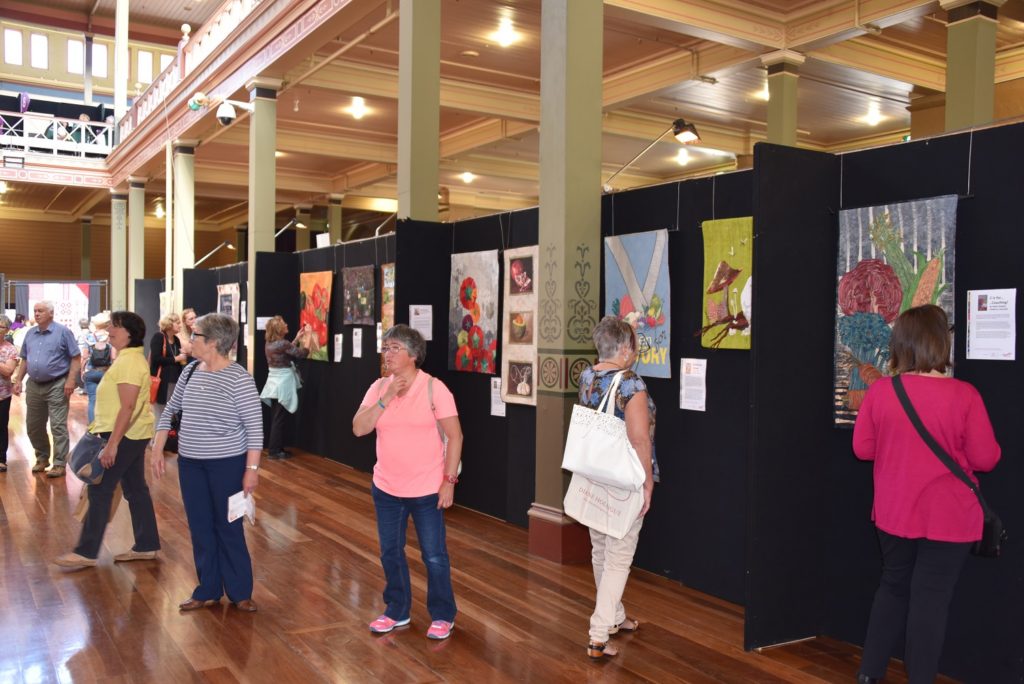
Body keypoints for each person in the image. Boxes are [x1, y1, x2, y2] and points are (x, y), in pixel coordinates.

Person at [853, 304, 1001, 684]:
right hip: (950, 516)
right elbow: (987, 458)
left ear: (900, 343)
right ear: (942, 342)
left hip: (894, 512)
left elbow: (863, 450)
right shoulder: (965, 396)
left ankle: (870, 674)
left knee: (892, 587)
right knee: (930, 600)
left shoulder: (883, 392)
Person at [352, 324, 463, 640]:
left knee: (434, 555)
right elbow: (359, 428)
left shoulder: (434, 388)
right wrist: (386, 397)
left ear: (414, 354)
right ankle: (396, 610)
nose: (387, 353)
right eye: (385, 347)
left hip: (427, 488)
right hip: (386, 487)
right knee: (390, 552)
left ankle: (443, 614)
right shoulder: (378, 388)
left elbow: (455, 436)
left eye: (394, 347)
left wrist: (449, 481)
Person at [152, 313, 263, 613]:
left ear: (212, 342)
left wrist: (251, 471)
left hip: (227, 465)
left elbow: (255, 430)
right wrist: (157, 445)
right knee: (200, 526)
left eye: (195, 335)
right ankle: (209, 589)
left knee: (229, 526)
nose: (189, 339)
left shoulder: (239, 379)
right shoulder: (190, 373)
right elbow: (170, 410)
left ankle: (240, 591)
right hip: (190, 465)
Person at [576, 315, 656, 659]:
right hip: (624, 479)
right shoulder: (631, 384)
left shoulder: (587, 376)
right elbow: (640, 440)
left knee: (601, 550)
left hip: (595, 474)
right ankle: (598, 633)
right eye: (634, 344)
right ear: (624, 348)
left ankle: (615, 616)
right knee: (619, 556)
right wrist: (648, 482)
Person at [54, 311, 160, 569]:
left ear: (129, 333)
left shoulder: (128, 363)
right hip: (131, 434)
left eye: (115, 326)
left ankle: (86, 552)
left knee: (100, 489)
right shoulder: (127, 359)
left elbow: (128, 407)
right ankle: (147, 544)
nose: (109, 330)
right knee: (136, 489)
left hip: (122, 436)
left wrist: (112, 444)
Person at [10, 301, 82, 478]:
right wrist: (18, 379)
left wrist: (71, 381)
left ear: (51, 313)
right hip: (34, 385)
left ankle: (59, 463)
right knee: (33, 425)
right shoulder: (30, 334)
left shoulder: (63, 332)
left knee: (57, 425)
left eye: (40, 311)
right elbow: (25, 359)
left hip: (57, 384)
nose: (37, 314)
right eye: (35, 311)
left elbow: (76, 357)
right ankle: (42, 458)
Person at [260, 316, 308, 460]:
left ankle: (276, 448)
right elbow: (301, 354)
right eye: (283, 323)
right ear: (279, 328)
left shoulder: (270, 343)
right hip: (282, 384)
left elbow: (287, 349)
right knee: (279, 419)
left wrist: (297, 338)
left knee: (277, 417)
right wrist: (308, 341)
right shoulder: (282, 344)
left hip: (273, 383)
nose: (286, 324)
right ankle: (274, 451)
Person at [149, 313, 185, 428]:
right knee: (160, 411)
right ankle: (156, 440)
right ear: (169, 324)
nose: (180, 325)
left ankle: (167, 438)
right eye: (178, 323)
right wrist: (176, 359)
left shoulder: (176, 340)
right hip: (162, 381)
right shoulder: (159, 337)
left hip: (174, 380)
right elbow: (155, 359)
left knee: (171, 411)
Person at [82, 329, 114, 424]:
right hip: (106, 372)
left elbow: (84, 356)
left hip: (91, 371)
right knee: (108, 400)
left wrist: (82, 370)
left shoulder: (89, 337)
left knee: (92, 400)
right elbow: (113, 357)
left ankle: (93, 427)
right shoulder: (110, 337)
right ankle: (106, 425)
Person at [0, 315, 18, 473]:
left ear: (6, 330)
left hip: (2, 395)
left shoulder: (10, 349)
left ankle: (1, 459)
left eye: (1, 327)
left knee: (1, 427)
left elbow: (7, 371)